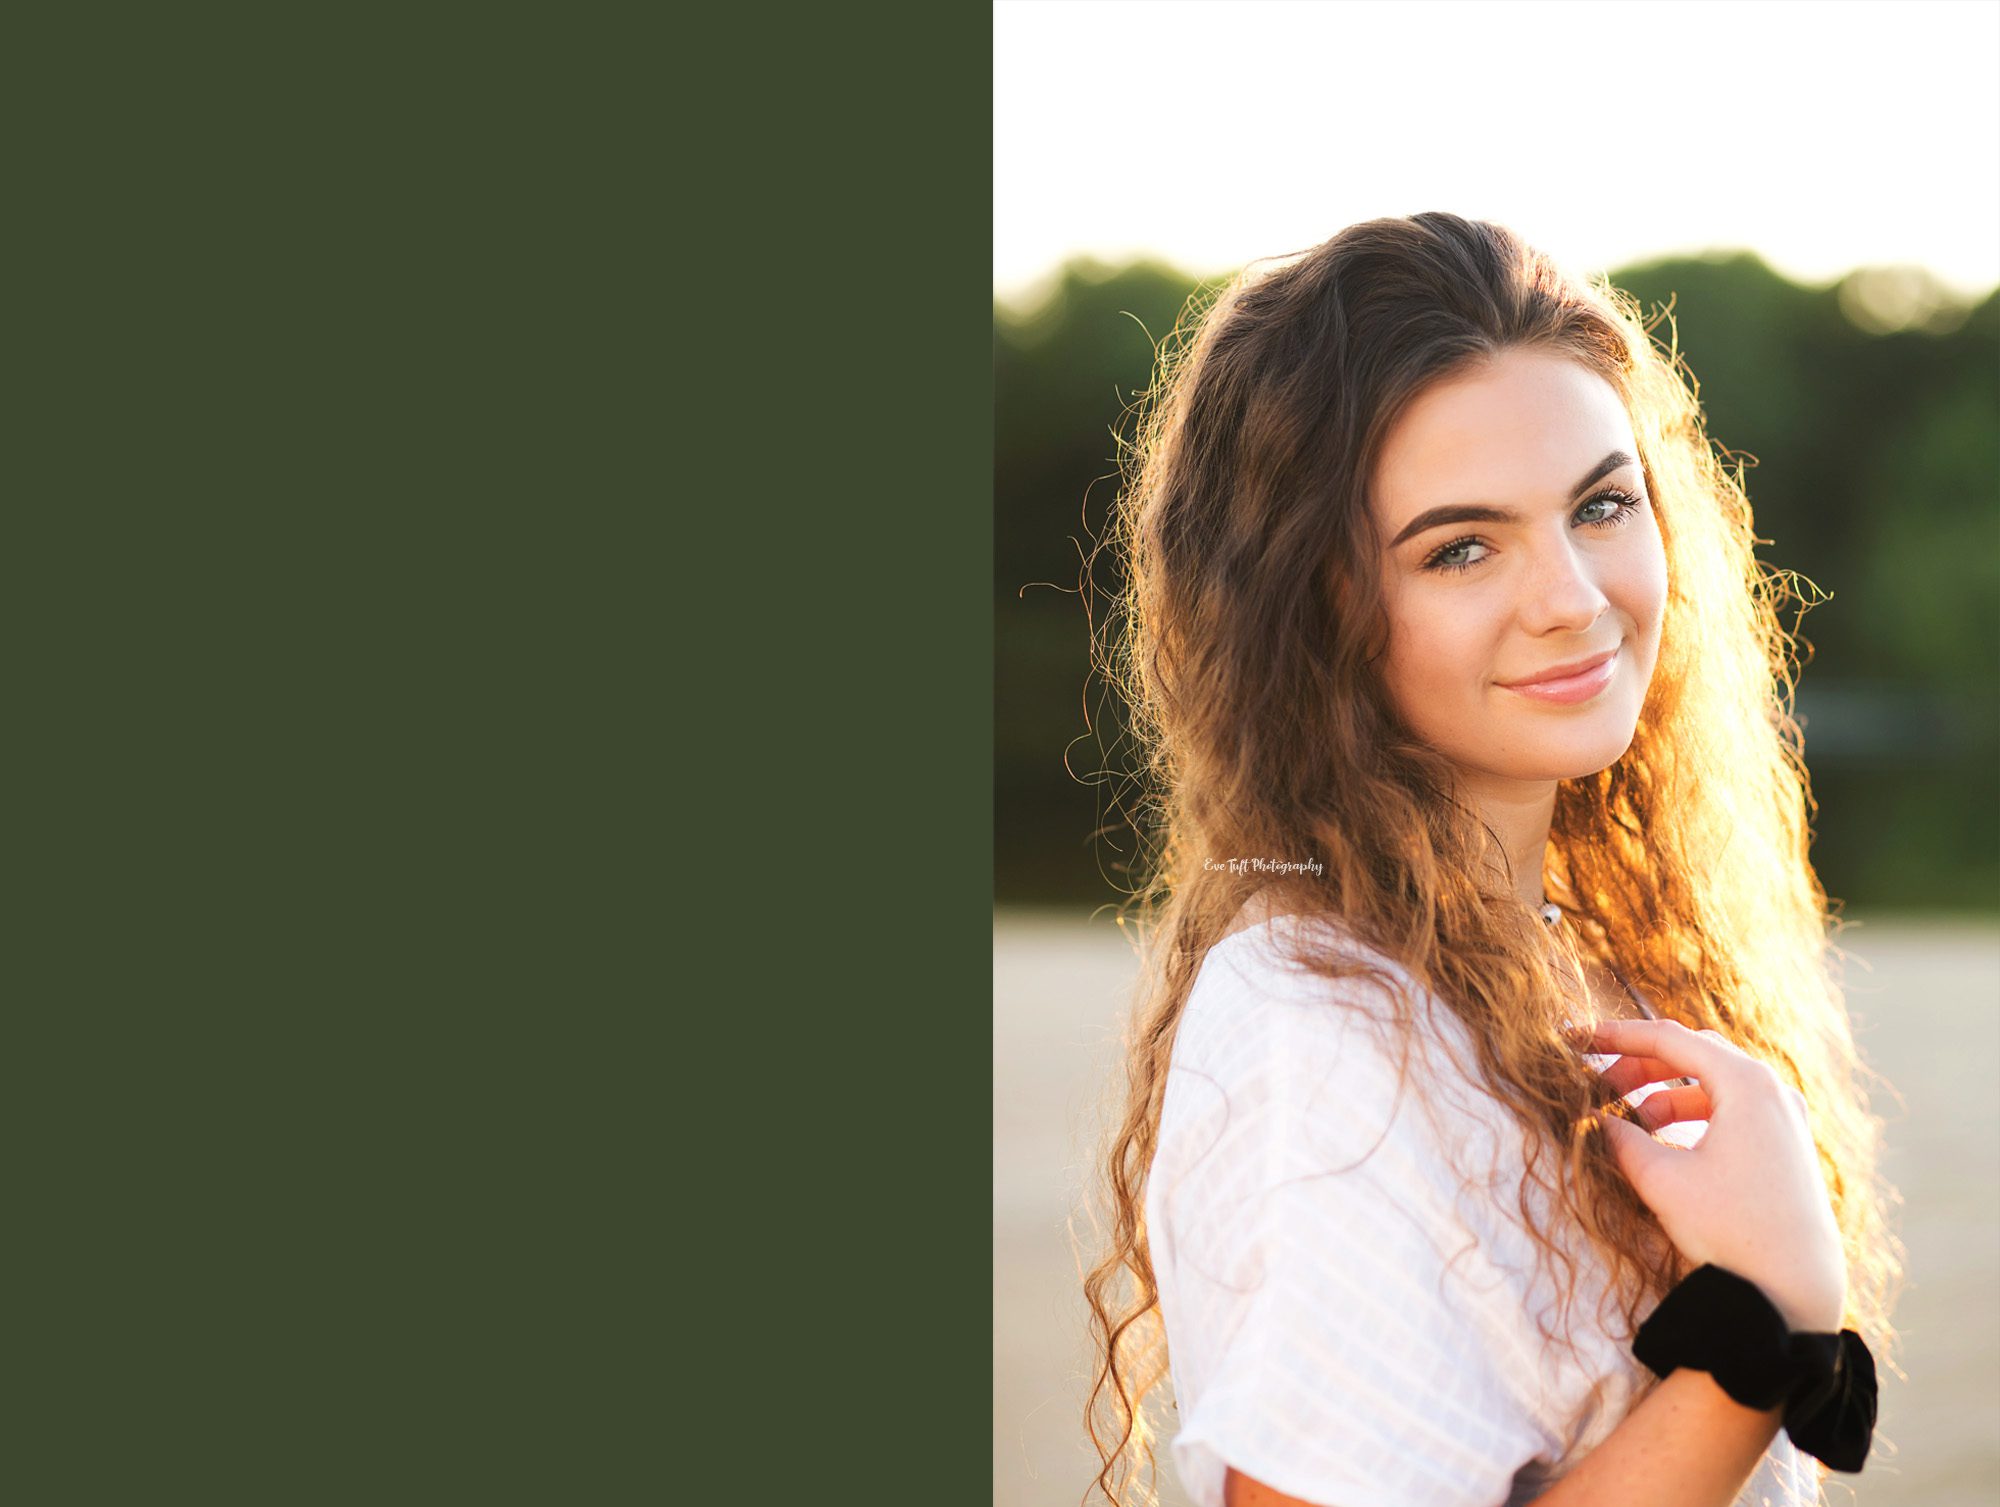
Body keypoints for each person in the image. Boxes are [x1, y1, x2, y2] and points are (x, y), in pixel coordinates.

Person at [1079, 214, 1899, 1507]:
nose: (1572, 595)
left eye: (1603, 504)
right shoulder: (1323, 1026)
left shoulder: (1580, 953)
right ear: (1313, 612)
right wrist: (1765, 1325)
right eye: (1461, 546)